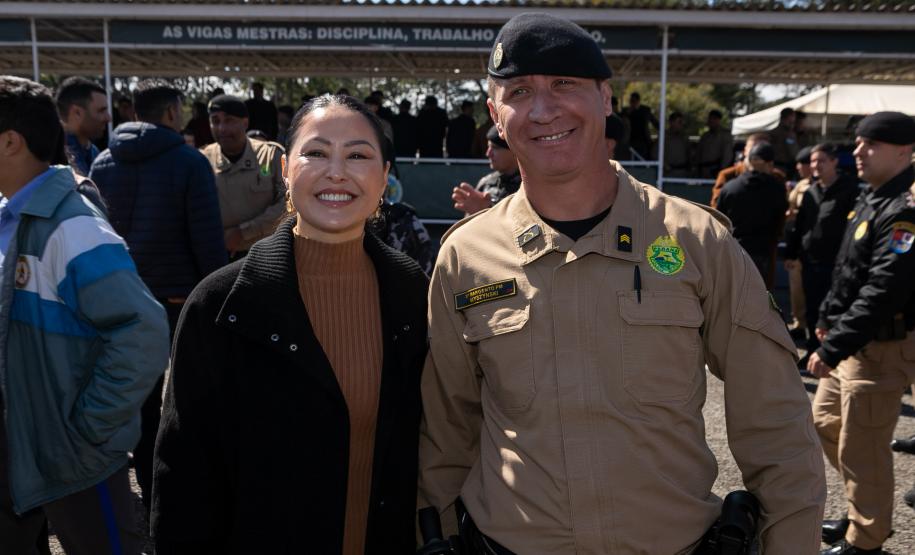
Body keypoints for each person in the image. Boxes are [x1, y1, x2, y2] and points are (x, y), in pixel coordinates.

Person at [418, 14, 825, 554]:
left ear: (606, 98)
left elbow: (775, 421)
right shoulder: (465, 257)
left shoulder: (697, 241)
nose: (544, 109)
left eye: (565, 83)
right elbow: (445, 431)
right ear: (496, 114)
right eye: (519, 91)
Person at [152, 94, 429, 554]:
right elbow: (183, 473)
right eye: (316, 153)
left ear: (384, 178)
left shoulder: (410, 291)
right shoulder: (222, 303)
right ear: (284, 171)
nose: (336, 172)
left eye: (358, 155)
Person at [0, 76, 169, 555]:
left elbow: (143, 331)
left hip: (74, 457)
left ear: (11, 141)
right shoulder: (10, 215)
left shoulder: (71, 225)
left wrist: (86, 430)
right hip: (24, 446)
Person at [88, 79, 228, 515]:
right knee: (184, 401)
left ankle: (139, 497)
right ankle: (172, 498)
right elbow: (205, 237)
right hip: (177, 300)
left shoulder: (103, 163)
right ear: (171, 113)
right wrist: (219, 296)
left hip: (120, 299)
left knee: (138, 401)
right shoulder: (189, 163)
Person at [807, 112, 915, 555]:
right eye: (857, 143)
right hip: (853, 341)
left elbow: (884, 288)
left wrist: (834, 345)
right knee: (825, 423)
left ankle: (867, 539)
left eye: (871, 144)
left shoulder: (904, 210)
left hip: (880, 348)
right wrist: (828, 318)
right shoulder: (872, 198)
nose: (858, 151)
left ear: (905, 151)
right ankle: (863, 512)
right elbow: (849, 271)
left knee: (863, 446)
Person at [784, 143, 859, 361]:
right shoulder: (810, 192)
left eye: (821, 160)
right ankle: (813, 349)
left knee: (835, 307)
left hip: (836, 262)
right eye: (813, 161)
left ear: (834, 162)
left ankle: (834, 351)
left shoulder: (849, 189)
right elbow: (800, 225)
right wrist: (792, 252)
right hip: (810, 260)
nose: (816, 165)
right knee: (812, 307)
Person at [201, 94, 286, 258]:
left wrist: (243, 232)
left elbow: (289, 204)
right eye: (215, 121)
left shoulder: (269, 155)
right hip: (219, 256)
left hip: (266, 255)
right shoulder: (203, 160)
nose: (222, 129)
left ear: (245, 122)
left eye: (229, 120)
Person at [716, 143, 789, 288]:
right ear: (769, 164)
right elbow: (780, 220)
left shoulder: (730, 188)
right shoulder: (777, 188)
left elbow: (719, 221)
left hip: (734, 251)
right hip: (763, 252)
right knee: (759, 298)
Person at [451, 125, 520, 216]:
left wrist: (486, 212)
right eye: (488, 147)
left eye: (495, 147)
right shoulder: (486, 182)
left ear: (514, 151)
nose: (488, 153)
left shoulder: (532, 188)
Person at [710, 132, 787, 208]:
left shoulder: (777, 177)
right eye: (753, 148)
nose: (758, 152)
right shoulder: (728, 175)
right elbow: (716, 207)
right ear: (745, 151)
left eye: (764, 149)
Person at [786, 146, 815, 335]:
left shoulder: (832, 185)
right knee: (796, 288)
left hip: (818, 245)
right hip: (799, 241)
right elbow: (790, 212)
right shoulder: (800, 185)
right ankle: (800, 323)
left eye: (801, 164)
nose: (798, 167)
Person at [56, 77, 110, 176]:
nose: (108, 118)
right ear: (77, 112)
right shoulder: (53, 157)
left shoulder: (93, 151)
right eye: (101, 111)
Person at [696, 109, 734, 179]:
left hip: (716, 169)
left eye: (714, 119)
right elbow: (699, 153)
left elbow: (727, 155)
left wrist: (722, 170)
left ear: (718, 120)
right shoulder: (705, 136)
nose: (711, 121)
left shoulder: (725, 135)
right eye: (710, 119)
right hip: (704, 170)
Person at [623, 91, 658, 160]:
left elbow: (655, 122)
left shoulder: (645, 111)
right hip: (630, 140)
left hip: (644, 141)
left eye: (634, 101)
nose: (633, 103)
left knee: (643, 158)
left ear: (638, 101)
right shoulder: (626, 111)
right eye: (631, 101)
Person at [655, 111, 690, 177]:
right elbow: (656, 154)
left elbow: (689, 154)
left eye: (682, 122)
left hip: (683, 172)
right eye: (679, 122)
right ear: (671, 122)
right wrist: (664, 165)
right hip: (668, 173)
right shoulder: (664, 136)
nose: (681, 124)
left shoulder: (684, 137)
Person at [771, 107, 800, 178]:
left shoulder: (788, 132)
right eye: (793, 116)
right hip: (781, 166)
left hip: (785, 166)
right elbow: (792, 151)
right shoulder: (782, 133)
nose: (794, 119)